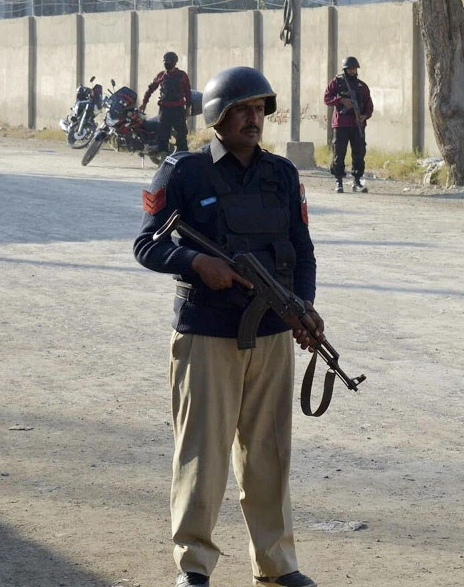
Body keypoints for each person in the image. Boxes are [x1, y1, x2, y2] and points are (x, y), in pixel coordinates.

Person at [134, 66, 322, 587]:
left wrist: (303, 307)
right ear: (217, 116)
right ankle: (193, 565)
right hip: (208, 334)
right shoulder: (183, 172)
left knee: (270, 454)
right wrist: (196, 262)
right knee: (203, 453)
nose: (253, 119)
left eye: (259, 109)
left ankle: (276, 563)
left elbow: (302, 251)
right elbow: (147, 244)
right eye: (242, 110)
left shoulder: (282, 174)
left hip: (271, 334)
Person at [322, 56, 373, 193]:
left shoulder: (362, 86)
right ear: (345, 69)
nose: (352, 71)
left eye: (354, 68)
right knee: (339, 153)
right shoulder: (336, 82)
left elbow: (369, 106)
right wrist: (341, 100)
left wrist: (364, 116)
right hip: (341, 124)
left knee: (359, 153)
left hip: (357, 125)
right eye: (350, 69)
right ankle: (338, 181)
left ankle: (357, 181)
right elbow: (327, 98)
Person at [141, 51, 193, 155]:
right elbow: (151, 89)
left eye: (168, 62)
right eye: (165, 62)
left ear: (174, 62)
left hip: (178, 109)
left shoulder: (182, 75)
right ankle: (163, 157)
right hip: (165, 110)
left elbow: (188, 92)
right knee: (162, 136)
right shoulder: (161, 75)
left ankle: (182, 157)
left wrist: (188, 108)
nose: (166, 64)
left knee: (182, 135)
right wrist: (144, 103)